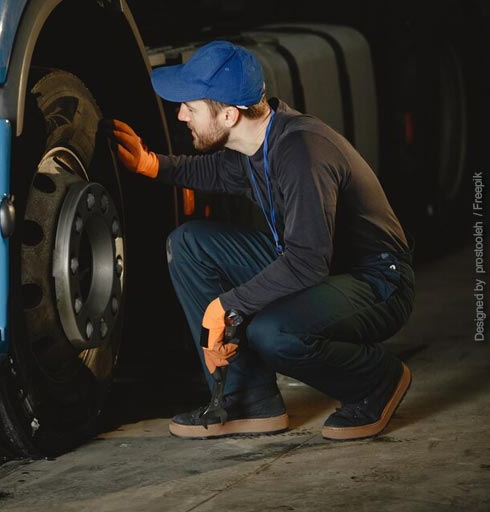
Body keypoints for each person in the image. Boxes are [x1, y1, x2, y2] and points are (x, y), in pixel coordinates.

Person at [102, 40, 415, 441]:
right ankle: (248, 399)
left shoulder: (302, 152)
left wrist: (226, 305)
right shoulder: (254, 146)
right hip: (319, 264)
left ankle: (375, 380)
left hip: (377, 281)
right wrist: (151, 165)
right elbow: (212, 173)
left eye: (191, 107)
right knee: (189, 244)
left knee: (271, 332)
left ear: (229, 114)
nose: (180, 115)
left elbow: (307, 263)